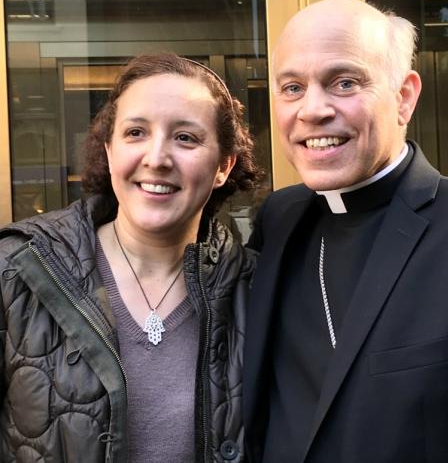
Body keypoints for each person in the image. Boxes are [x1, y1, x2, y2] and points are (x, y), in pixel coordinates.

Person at [244, 0, 448, 463]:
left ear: (404, 96)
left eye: (344, 82)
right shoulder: (277, 219)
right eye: (292, 88)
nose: (312, 110)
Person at [0, 53, 260, 462]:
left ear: (223, 166)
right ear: (108, 149)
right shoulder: (18, 270)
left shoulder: (257, 289)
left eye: (186, 137)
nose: (156, 158)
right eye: (136, 132)